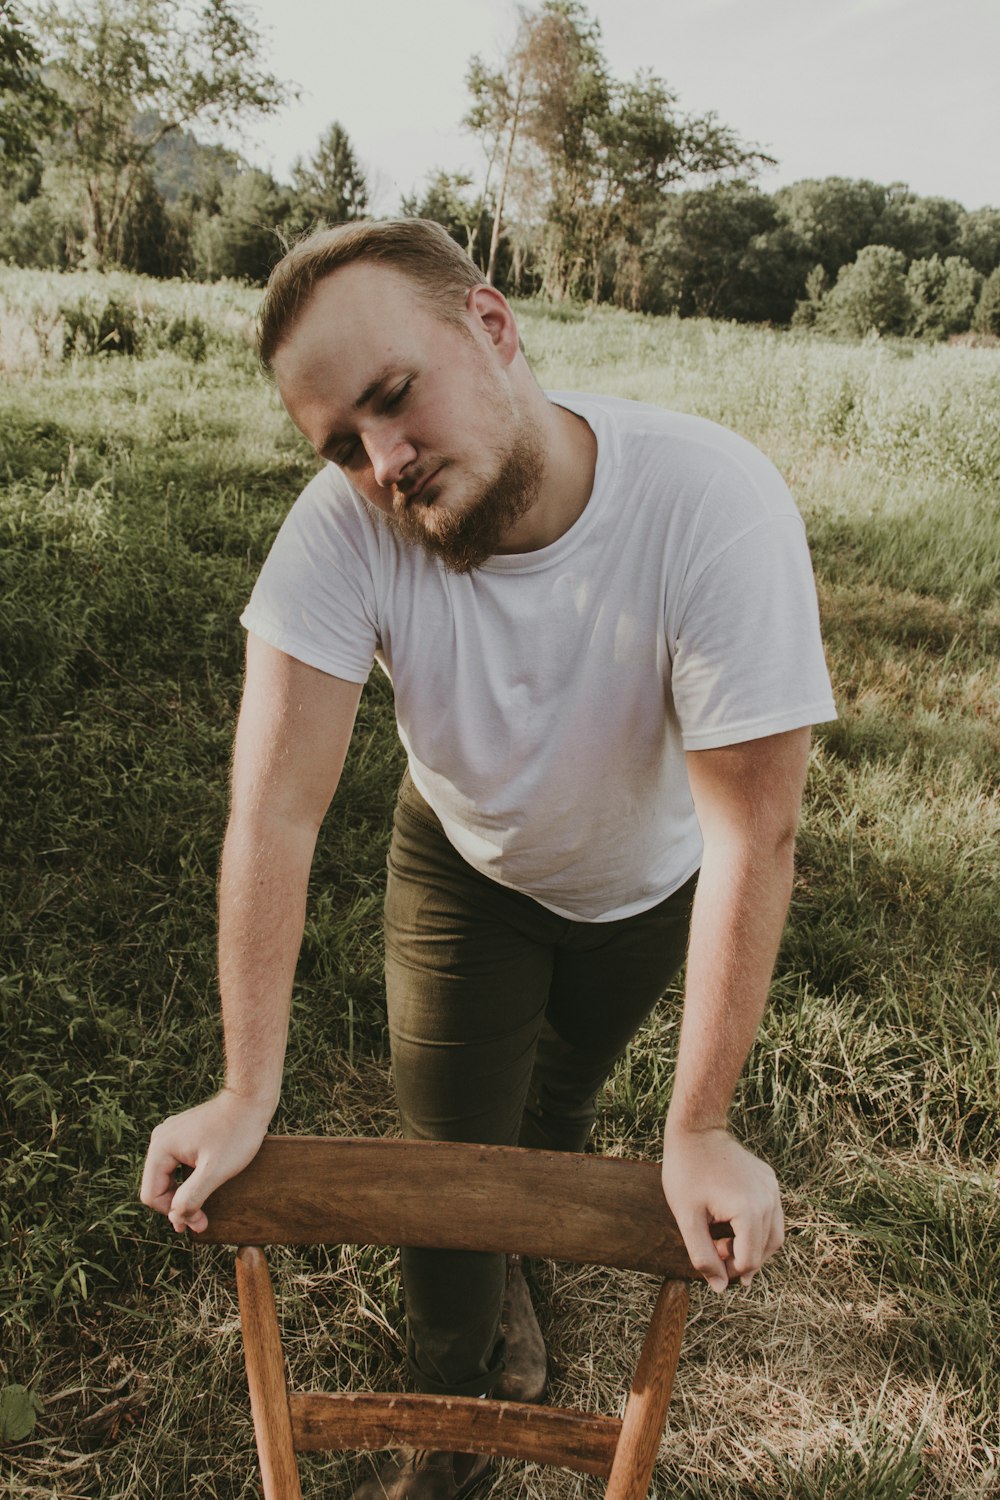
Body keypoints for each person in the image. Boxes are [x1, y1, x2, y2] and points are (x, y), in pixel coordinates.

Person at [140, 219, 836, 1500]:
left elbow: (755, 831)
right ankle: (454, 1427)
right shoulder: (340, 532)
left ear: (493, 326)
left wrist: (701, 1126)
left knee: (554, 1126)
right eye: (342, 442)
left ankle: (527, 1274)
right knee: (453, 1169)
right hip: (461, 871)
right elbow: (276, 812)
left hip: (645, 889)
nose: (382, 462)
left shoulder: (709, 500)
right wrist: (245, 1090)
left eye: (393, 399)